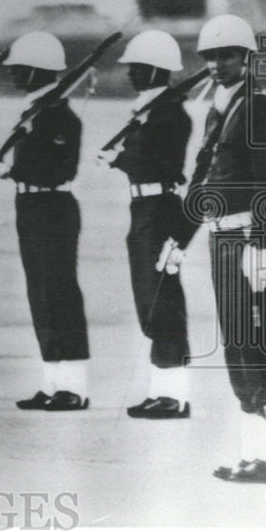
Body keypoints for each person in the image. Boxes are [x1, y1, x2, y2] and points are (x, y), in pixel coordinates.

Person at [160, 14, 266, 482]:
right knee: (236, 343)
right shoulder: (220, 107)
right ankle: (255, 452)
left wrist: (263, 246)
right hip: (222, 238)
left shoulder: (258, 107)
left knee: (255, 344)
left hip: (248, 239)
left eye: (226, 56)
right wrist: (179, 237)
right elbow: (203, 181)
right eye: (210, 57)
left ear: (247, 58)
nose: (216, 65)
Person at [0, 31, 90, 411]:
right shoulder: (36, 113)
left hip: (53, 207)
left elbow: (58, 171)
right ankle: (52, 383)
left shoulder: (60, 117)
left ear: (38, 72)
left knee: (60, 294)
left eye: (20, 69)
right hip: (30, 209)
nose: (13, 75)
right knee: (40, 295)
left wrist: (10, 173)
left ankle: (74, 387)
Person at [97, 31, 193, 418]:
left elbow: (162, 165)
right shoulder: (151, 111)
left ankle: (173, 395)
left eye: (138, 68)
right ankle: (163, 389)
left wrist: (119, 160)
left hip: (159, 207)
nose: (131, 74)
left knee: (162, 301)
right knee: (149, 300)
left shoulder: (170, 113)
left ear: (157, 69)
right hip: (144, 208)